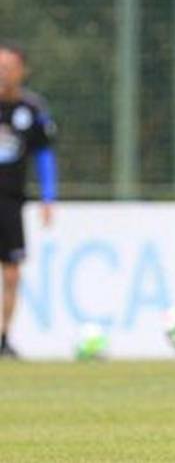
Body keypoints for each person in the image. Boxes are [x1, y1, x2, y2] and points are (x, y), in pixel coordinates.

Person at [0, 41, 57, 359]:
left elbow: (45, 156)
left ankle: (3, 339)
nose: (2, 73)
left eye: (8, 67)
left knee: (11, 273)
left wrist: (49, 198)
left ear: (22, 71)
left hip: (10, 202)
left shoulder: (31, 109)